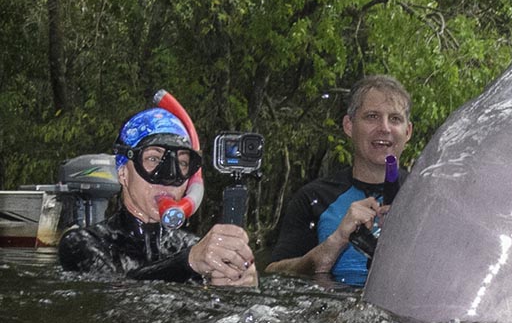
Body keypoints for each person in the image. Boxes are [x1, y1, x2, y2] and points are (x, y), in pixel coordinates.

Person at [59, 107, 258, 286]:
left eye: (182, 163)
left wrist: (238, 285)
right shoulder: (83, 243)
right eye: (153, 159)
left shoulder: (191, 246)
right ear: (122, 173)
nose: (169, 178)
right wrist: (188, 263)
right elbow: (117, 292)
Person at [266, 75, 412, 284]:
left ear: (408, 132)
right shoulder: (313, 197)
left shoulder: (430, 199)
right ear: (348, 126)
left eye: (395, 119)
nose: (385, 128)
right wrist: (336, 242)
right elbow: (273, 273)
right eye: (372, 116)